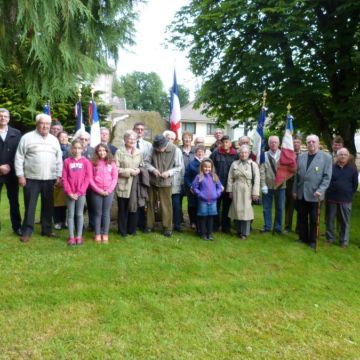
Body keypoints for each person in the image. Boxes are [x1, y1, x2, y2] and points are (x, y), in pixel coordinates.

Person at [15, 113, 63, 242]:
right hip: (31, 178)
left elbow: (59, 159)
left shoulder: (54, 140)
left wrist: (59, 175)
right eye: (42, 123)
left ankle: (47, 230)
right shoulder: (27, 138)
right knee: (30, 206)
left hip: (50, 178)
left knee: (48, 205)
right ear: (37, 124)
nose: (45, 126)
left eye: (48, 124)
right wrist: (20, 175)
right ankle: (27, 231)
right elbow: (19, 157)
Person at [293, 134, 332, 248]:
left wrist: (321, 190)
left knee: (314, 219)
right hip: (301, 193)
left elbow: (327, 177)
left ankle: (313, 240)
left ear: (318, 143)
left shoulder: (326, 157)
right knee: (302, 217)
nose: (311, 144)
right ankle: (302, 238)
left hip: (316, 194)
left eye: (313, 142)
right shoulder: (302, 156)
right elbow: (297, 176)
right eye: (309, 142)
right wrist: (295, 190)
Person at [145, 134, 182, 237]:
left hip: (166, 182)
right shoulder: (153, 148)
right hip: (153, 180)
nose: (158, 150)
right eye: (156, 148)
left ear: (166, 144)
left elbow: (179, 167)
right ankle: (149, 225)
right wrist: (153, 169)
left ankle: (167, 228)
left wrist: (169, 173)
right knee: (150, 203)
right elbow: (146, 162)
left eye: (160, 148)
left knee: (166, 205)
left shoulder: (176, 150)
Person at [325, 148, 358, 248]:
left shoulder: (352, 169)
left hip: (346, 199)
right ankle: (329, 238)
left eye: (345, 155)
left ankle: (344, 241)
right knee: (330, 220)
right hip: (332, 198)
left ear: (348, 157)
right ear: (337, 156)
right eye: (341, 154)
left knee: (344, 221)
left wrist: (348, 193)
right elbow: (327, 181)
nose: (343, 156)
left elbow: (355, 185)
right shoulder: (331, 167)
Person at [62, 140, 92, 245]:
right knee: (70, 214)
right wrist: (69, 192)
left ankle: (79, 236)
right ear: (71, 149)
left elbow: (88, 178)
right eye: (75, 148)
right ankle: (71, 237)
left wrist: (79, 192)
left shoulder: (86, 162)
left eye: (79, 148)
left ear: (83, 149)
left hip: (81, 193)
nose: (77, 150)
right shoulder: (67, 162)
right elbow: (64, 178)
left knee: (79, 214)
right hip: (69, 193)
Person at [227, 145, 260, 239]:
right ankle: (238, 230)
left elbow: (257, 180)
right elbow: (230, 178)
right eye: (241, 152)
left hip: (247, 190)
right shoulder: (234, 164)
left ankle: (244, 233)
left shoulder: (253, 164)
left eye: (245, 152)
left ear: (248, 153)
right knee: (237, 210)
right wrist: (230, 191)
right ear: (239, 153)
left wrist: (255, 193)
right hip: (236, 188)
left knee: (246, 211)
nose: (243, 154)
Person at [115, 130, 143, 237]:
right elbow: (115, 169)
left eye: (134, 139)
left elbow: (142, 165)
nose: (132, 141)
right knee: (123, 208)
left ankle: (132, 230)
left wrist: (139, 170)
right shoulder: (119, 152)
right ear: (125, 139)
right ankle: (122, 231)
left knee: (133, 207)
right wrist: (129, 171)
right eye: (129, 138)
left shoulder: (139, 152)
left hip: (135, 185)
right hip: (123, 184)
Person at [89, 143, 117, 243]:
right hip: (96, 192)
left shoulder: (112, 163)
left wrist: (109, 190)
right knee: (97, 213)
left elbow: (114, 178)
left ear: (107, 151)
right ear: (97, 152)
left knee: (106, 213)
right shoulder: (93, 163)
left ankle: (105, 234)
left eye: (104, 150)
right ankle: (97, 234)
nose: (102, 152)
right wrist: (98, 190)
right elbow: (90, 178)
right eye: (99, 150)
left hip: (109, 192)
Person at [0, 108, 22, 235]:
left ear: (8, 118)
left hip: (12, 172)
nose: (2, 118)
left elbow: (19, 153)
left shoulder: (16, 133)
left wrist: (9, 165)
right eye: (0, 116)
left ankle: (17, 226)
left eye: (5, 116)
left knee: (14, 201)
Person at [210, 135, 239, 233]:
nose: (225, 144)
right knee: (216, 206)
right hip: (216, 185)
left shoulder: (236, 154)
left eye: (227, 142)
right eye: (224, 142)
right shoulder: (215, 153)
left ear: (230, 143)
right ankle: (214, 225)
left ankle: (226, 227)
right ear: (221, 143)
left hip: (229, 185)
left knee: (227, 206)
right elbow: (210, 166)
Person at [191, 159, 223, 240]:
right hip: (203, 201)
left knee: (211, 218)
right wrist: (200, 194)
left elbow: (219, 187)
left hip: (213, 201)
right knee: (203, 218)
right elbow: (194, 187)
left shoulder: (215, 176)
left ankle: (210, 234)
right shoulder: (199, 176)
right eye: (205, 167)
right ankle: (203, 234)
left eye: (209, 167)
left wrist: (217, 194)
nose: (207, 169)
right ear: (202, 167)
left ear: (211, 168)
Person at [260, 135, 286, 234]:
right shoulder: (264, 155)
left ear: (279, 143)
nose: (273, 144)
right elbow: (261, 171)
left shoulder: (284, 155)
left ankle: (278, 228)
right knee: (266, 208)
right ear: (268, 143)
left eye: (275, 142)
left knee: (280, 208)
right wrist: (263, 185)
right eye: (271, 142)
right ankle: (267, 227)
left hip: (281, 186)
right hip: (268, 186)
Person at [163, 130, 185, 232]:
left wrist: (181, 181)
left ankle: (177, 224)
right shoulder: (160, 149)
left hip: (175, 182)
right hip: (163, 181)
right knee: (164, 204)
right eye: (168, 138)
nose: (170, 140)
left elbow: (180, 167)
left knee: (176, 205)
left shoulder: (177, 150)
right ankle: (166, 224)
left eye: (172, 139)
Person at [133, 122, 152, 230]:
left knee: (143, 199)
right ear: (133, 129)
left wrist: (141, 169)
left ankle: (142, 222)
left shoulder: (148, 145)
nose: (139, 131)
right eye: (137, 129)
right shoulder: (127, 143)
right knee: (133, 199)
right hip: (132, 174)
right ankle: (133, 222)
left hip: (144, 175)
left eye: (141, 129)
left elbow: (149, 160)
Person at [184, 145, 206, 230]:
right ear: (196, 153)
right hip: (193, 189)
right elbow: (186, 176)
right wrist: (190, 186)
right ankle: (192, 222)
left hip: (203, 189)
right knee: (192, 206)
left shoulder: (207, 163)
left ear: (204, 153)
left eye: (202, 152)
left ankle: (200, 222)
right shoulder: (191, 164)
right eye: (198, 152)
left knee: (200, 205)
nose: (200, 153)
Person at [284, 135, 302, 233]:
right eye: (294, 142)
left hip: (300, 184)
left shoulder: (304, 155)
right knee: (289, 206)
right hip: (290, 183)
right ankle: (287, 227)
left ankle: (299, 228)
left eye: (298, 142)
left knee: (300, 207)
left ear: (301, 144)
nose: (296, 144)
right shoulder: (288, 155)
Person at [53, 131, 70, 230]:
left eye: (66, 137)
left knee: (68, 201)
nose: (64, 139)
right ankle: (58, 221)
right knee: (58, 202)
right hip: (58, 178)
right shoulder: (55, 147)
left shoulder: (71, 149)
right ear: (58, 138)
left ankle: (67, 221)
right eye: (61, 137)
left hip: (68, 179)